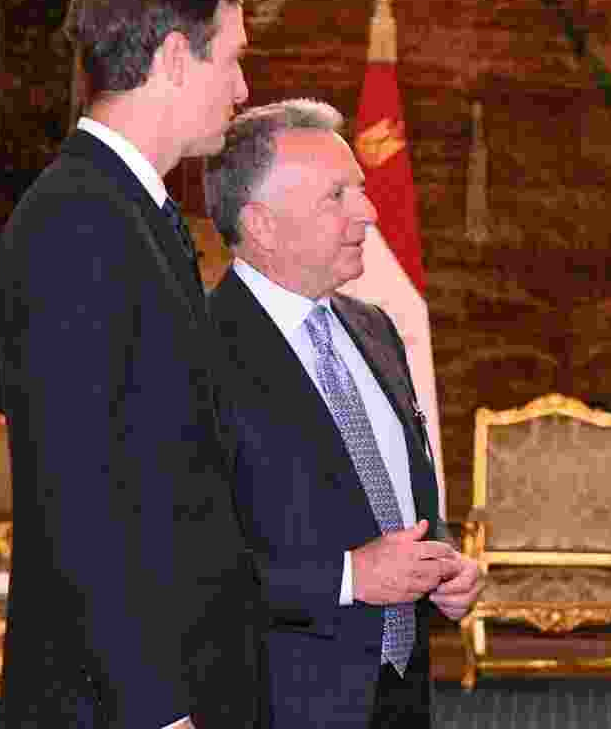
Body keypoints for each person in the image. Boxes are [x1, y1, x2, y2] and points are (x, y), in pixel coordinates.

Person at [0, 0, 260, 729]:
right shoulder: (78, 220)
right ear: (176, 57)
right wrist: (156, 709)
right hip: (117, 702)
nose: (243, 89)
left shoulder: (135, 211)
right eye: (233, 61)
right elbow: (79, 498)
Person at [204, 99, 482, 729]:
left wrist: (442, 564)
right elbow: (185, 563)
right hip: (274, 700)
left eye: (360, 189)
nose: (369, 211)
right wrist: (350, 577)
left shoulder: (375, 329)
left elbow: (400, 500)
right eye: (340, 196)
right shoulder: (197, 351)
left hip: (399, 692)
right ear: (262, 223)